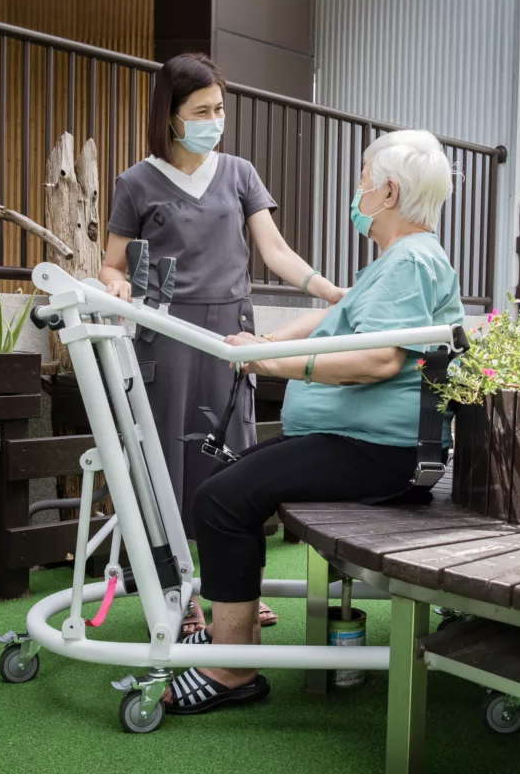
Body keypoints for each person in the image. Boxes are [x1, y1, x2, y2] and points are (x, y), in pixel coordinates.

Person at [161, 128, 464, 714]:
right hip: (360, 443)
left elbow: (378, 359)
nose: (357, 193)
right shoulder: (399, 261)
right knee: (225, 491)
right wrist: (259, 342)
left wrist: (270, 360)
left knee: (222, 499)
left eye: (362, 181)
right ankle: (236, 639)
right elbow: (338, 315)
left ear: (389, 193)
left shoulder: (410, 261)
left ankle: (231, 670)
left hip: (378, 451)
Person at [100, 53, 346, 637]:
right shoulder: (135, 182)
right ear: (171, 115)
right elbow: (112, 264)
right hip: (166, 338)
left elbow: (276, 251)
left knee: (232, 459)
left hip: (233, 336)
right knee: (169, 462)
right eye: (202, 110)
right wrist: (116, 289)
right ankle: (180, 595)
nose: (215, 120)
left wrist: (331, 292)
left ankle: (234, 590)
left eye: (220, 109)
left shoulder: (238, 173)